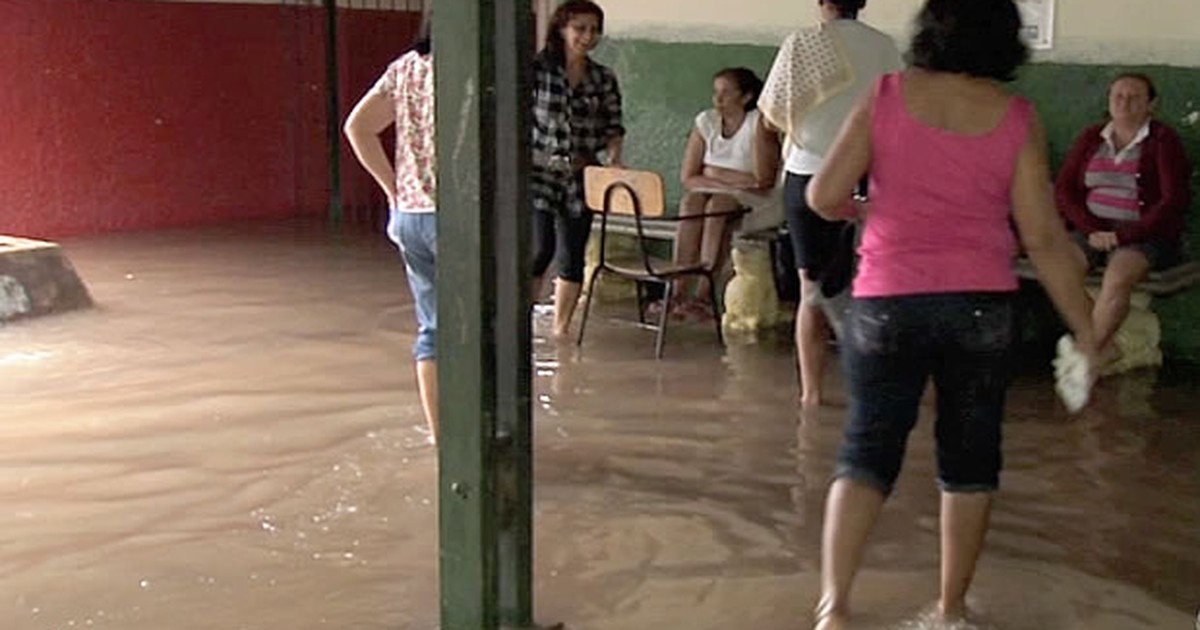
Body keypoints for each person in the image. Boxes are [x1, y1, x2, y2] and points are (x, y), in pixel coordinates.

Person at [805, 0, 1100, 627]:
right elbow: (1044, 238)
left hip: (886, 300)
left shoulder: (886, 95)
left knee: (865, 453)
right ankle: (950, 610)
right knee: (969, 462)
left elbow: (823, 194)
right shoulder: (1016, 117)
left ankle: (834, 610)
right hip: (979, 308)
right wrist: (1087, 328)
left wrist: (869, 214)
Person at [756, 0, 902, 407]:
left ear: (821, 2)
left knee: (811, 291)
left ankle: (811, 396)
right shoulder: (885, 47)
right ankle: (871, 392)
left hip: (809, 174)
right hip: (871, 177)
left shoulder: (801, 44)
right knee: (872, 288)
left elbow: (771, 117)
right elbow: (899, 112)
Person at [343, 19, 439, 443]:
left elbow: (357, 128)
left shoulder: (404, 68)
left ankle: (442, 440)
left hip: (411, 218)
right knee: (482, 330)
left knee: (433, 332)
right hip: (457, 221)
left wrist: (393, 191)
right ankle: (482, 438)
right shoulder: (472, 72)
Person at [1054, 73, 1192, 368]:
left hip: (1144, 234)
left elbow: (1172, 201)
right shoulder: (1092, 137)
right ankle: (1104, 346)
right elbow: (1065, 190)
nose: (1124, 103)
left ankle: (1088, 354)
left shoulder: (1163, 141)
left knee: (1117, 278)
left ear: (1151, 104)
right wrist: (1091, 230)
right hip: (1092, 228)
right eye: (1117, 96)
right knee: (1061, 270)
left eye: (1134, 97)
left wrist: (1123, 237)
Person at [530, 0, 625, 338]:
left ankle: (561, 331)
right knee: (539, 249)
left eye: (594, 30)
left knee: (573, 253)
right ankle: (519, 326)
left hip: (583, 174)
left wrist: (614, 160)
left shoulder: (603, 78)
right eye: (580, 28)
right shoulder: (537, 70)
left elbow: (614, 126)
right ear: (561, 29)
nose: (587, 36)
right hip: (538, 173)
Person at [649, 67, 771, 322]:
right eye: (716, 92)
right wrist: (729, 180)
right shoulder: (706, 121)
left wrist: (714, 172)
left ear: (746, 97)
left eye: (726, 93)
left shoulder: (757, 123)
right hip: (717, 192)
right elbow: (689, 177)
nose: (718, 99)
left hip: (755, 202)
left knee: (718, 205)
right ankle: (679, 289)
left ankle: (704, 295)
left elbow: (761, 179)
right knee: (691, 202)